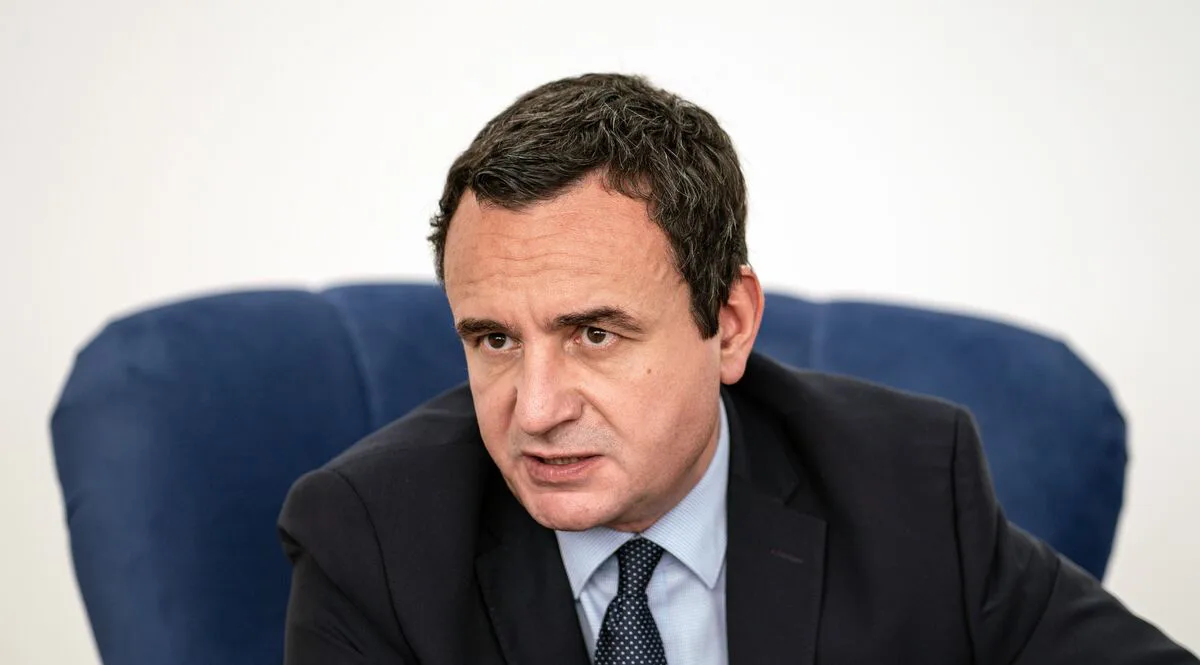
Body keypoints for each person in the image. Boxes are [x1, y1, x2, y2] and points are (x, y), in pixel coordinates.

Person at [278, 73, 1196, 664]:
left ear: (728, 325)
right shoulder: (372, 538)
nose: (536, 409)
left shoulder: (908, 483)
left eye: (593, 333)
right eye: (494, 340)